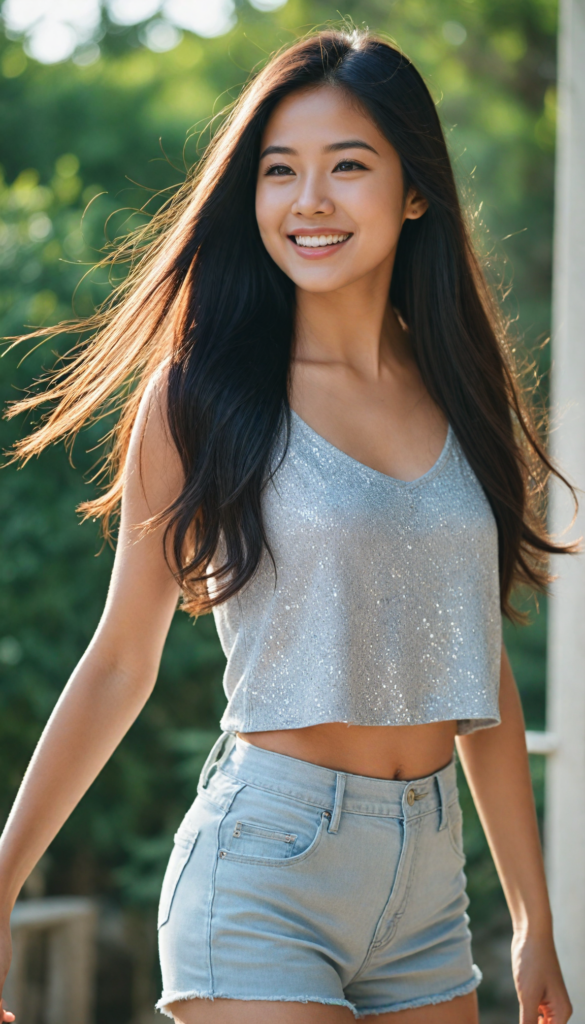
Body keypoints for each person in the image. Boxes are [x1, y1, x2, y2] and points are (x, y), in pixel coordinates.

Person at [0, 28, 575, 1024]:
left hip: (431, 893)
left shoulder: (457, 390)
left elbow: (475, 668)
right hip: (266, 865)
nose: (308, 200)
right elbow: (119, 662)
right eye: (279, 171)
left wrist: (533, 920)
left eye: (347, 166)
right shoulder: (203, 397)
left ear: (414, 190)